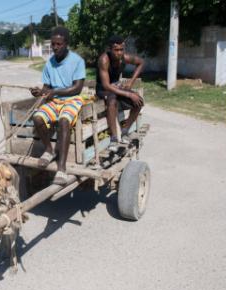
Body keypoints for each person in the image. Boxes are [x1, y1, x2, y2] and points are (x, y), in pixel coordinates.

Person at [29, 26, 86, 185]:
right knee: (38, 117)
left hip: (72, 99)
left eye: (58, 44)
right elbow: (47, 89)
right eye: (53, 44)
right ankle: (49, 150)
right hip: (55, 100)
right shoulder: (49, 63)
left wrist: (55, 92)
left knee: (64, 120)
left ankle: (62, 167)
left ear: (66, 43)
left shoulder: (77, 61)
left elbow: (77, 88)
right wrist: (39, 92)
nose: (55, 47)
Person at [96, 35, 145, 152]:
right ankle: (113, 139)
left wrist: (131, 82)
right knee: (112, 100)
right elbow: (107, 85)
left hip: (117, 87)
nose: (119, 52)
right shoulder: (104, 60)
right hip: (104, 89)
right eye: (116, 50)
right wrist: (128, 94)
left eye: (121, 49)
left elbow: (141, 62)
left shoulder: (124, 58)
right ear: (109, 49)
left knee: (139, 102)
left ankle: (124, 132)